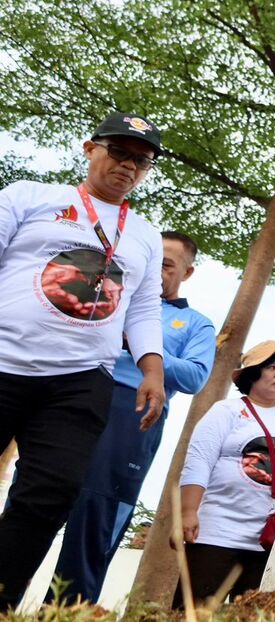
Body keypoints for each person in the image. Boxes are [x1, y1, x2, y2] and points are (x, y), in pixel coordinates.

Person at [0, 112, 167, 610]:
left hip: (80, 380)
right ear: (90, 148)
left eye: (141, 160)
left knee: (50, 492)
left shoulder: (144, 235)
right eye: (118, 152)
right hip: (5, 358)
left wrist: (152, 368)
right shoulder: (28, 197)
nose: (128, 166)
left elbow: (143, 306)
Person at [52, 231, 216, 603]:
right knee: (39, 491)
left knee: (98, 508)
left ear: (186, 274)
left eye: (168, 265)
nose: (157, 271)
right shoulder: (105, 297)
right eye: (152, 261)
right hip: (73, 395)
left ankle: (68, 608)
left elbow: (195, 376)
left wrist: (143, 345)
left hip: (133, 411)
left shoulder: (195, 323)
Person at [174, 342, 275, 608]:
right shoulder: (224, 411)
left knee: (257, 612)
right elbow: (199, 461)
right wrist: (188, 511)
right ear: (252, 373)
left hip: (271, 538)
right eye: (272, 367)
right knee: (194, 609)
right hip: (217, 531)